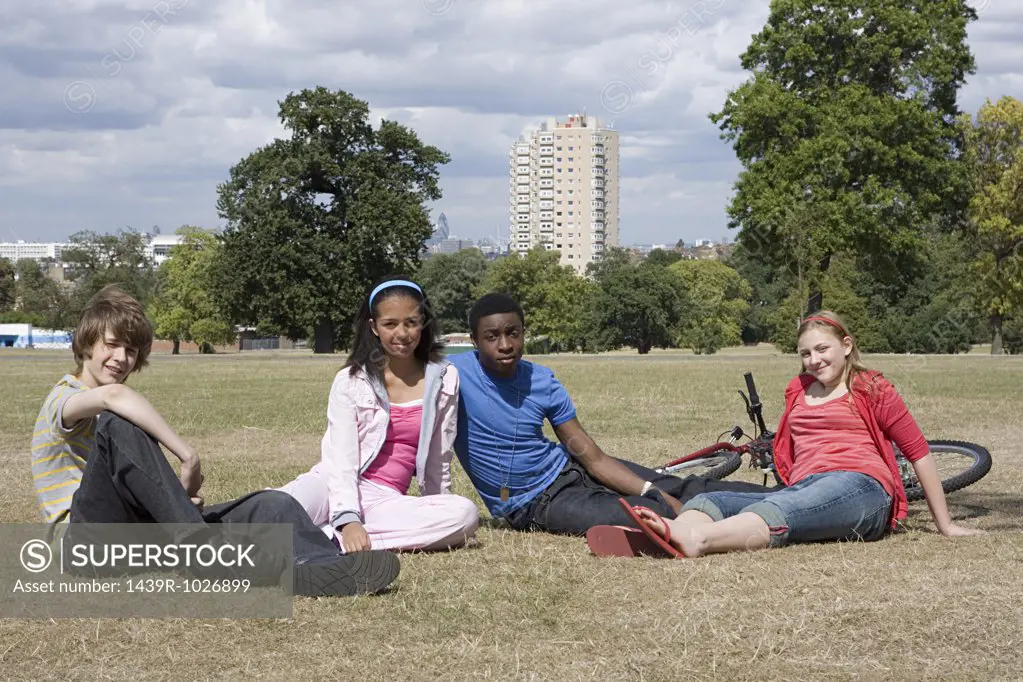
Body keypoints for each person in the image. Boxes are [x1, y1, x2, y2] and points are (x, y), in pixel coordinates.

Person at [30, 284, 399, 596]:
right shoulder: (63, 398)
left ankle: (324, 566)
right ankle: (203, 554)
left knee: (273, 504)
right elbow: (114, 400)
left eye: (131, 351)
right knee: (117, 423)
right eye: (112, 345)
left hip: (135, 537)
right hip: (84, 547)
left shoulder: (113, 407)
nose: (122, 358)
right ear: (87, 342)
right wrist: (187, 456)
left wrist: (173, 496)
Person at [593, 310, 985, 558]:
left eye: (822, 349)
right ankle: (675, 533)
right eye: (805, 353)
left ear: (846, 346)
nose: (814, 360)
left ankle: (697, 541)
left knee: (779, 511)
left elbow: (917, 451)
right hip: (808, 486)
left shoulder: (871, 387)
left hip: (862, 489)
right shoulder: (799, 389)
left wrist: (945, 524)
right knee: (711, 499)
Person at [448, 293, 771, 536]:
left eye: (513, 333)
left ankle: (787, 499)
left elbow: (593, 458)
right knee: (647, 512)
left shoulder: (542, 381)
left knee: (681, 488)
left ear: (523, 332)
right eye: (492, 337)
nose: (505, 344)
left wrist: (651, 488)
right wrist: (652, 499)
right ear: (474, 340)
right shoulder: (453, 374)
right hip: (536, 504)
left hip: (573, 469)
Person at [279, 277, 478, 553]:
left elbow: (439, 455)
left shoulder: (445, 379)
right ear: (373, 327)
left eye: (411, 322)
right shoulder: (350, 381)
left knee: (465, 515)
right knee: (274, 509)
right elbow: (340, 458)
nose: (402, 333)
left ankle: (327, 541)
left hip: (384, 501)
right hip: (332, 483)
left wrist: (435, 508)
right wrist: (348, 518)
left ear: (424, 323)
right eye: (390, 324)